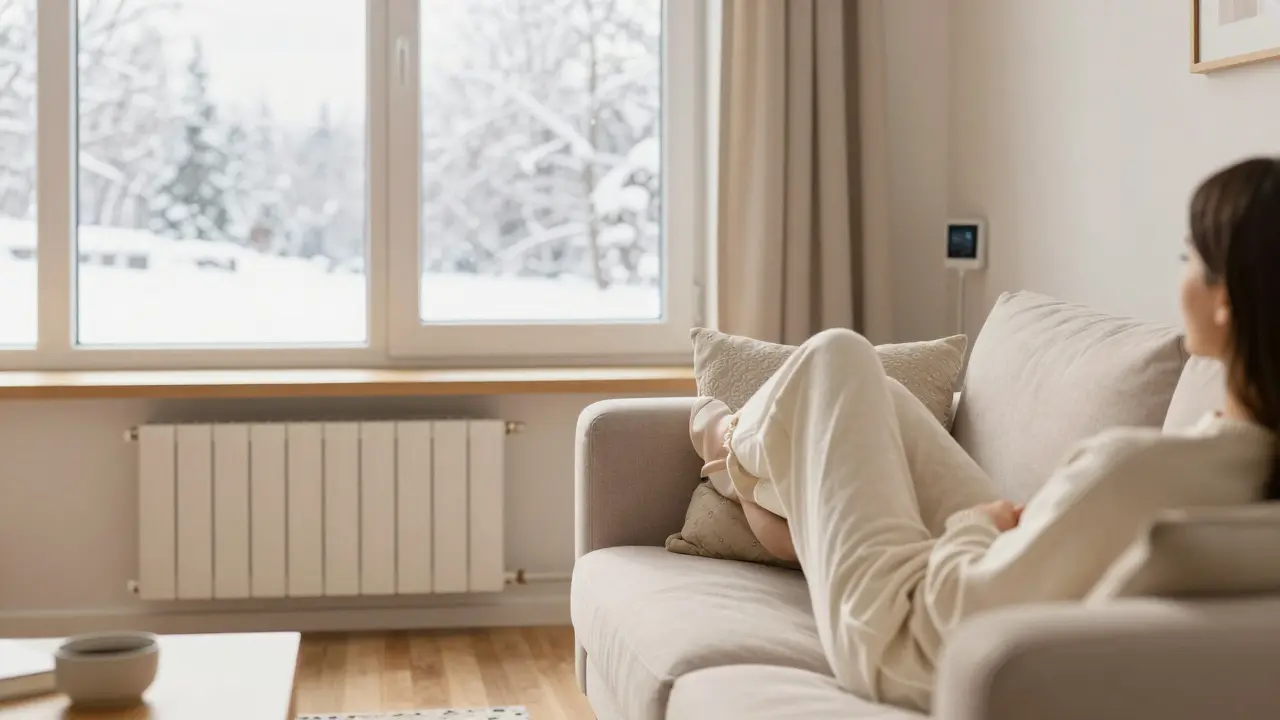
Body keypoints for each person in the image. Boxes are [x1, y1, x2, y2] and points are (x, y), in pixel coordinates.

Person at [688, 156, 1280, 712]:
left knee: (835, 357)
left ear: (1224, 301)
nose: (1179, 278)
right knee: (881, 399)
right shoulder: (1244, 468)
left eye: (1187, 259)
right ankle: (783, 512)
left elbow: (959, 613)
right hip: (1000, 579)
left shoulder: (1135, 471)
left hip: (903, 638)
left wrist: (977, 528)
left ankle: (724, 438)